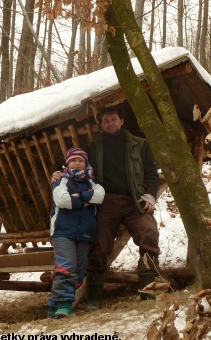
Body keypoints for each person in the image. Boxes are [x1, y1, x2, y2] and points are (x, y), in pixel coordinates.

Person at [51, 106, 160, 310]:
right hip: (105, 201)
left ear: (122, 121)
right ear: (101, 125)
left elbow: (151, 173)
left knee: (149, 233)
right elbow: (78, 168)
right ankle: (94, 295)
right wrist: (60, 174)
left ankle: (149, 287)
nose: (110, 124)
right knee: (100, 243)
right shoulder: (94, 146)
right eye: (106, 121)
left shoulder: (139, 144)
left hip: (133, 200)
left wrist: (150, 197)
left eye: (113, 119)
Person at [47, 147, 105, 318]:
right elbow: (62, 200)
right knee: (66, 267)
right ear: (67, 163)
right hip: (63, 231)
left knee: (79, 271)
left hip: (85, 233)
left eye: (81, 160)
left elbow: (99, 197)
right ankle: (64, 305)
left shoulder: (93, 183)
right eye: (73, 160)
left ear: (86, 164)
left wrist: (76, 196)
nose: (77, 163)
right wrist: (85, 199)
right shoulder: (61, 181)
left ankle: (53, 304)